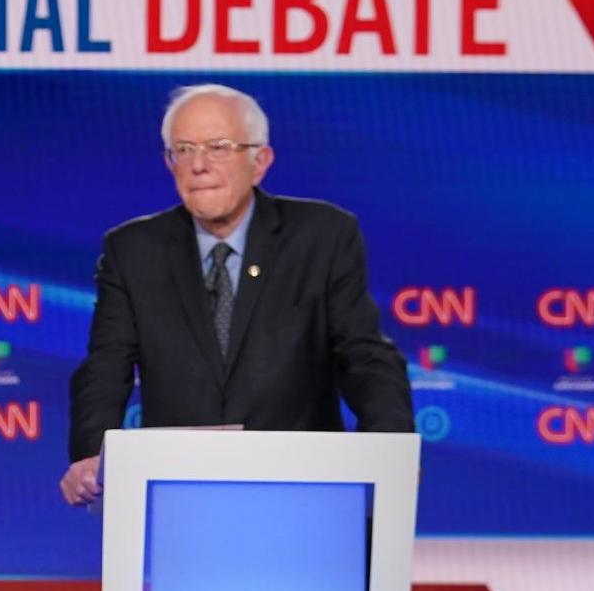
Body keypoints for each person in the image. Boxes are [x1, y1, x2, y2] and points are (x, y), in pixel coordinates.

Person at [60, 83, 412, 506]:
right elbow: (106, 365)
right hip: (182, 497)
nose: (199, 165)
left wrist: (390, 449)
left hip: (305, 492)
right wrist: (88, 451)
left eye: (218, 147)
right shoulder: (134, 249)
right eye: (183, 150)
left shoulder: (322, 236)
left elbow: (364, 355)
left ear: (259, 161)